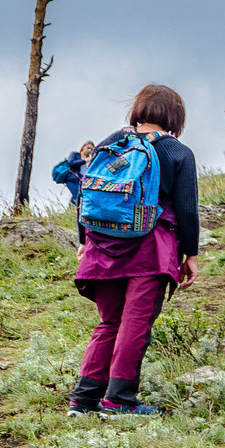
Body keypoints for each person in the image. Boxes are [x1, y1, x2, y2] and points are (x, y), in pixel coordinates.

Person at [69, 87, 199, 416]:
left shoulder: (110, 143)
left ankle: (83, 400)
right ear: (175, 117)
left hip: (102, 246)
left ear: (139, 109)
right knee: (134, 324)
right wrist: (191, 254)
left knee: (109, 322)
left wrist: (84, 239)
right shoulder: (177, 152)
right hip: (151, 250)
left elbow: (87, 193)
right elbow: (186, 210)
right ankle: (118, 401)